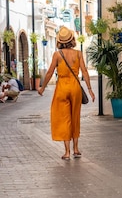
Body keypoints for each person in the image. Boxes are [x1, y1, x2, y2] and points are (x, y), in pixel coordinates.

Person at [38, 27, 95, 160]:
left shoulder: (57, 55)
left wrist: (42, 88)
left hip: (62, 87)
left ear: (60, 41)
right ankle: (76, 149)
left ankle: (67, 152)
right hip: (75, 87)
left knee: (64, 118)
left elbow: (50, 72)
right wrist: (90, 89)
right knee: (75, 117)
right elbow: (85, 71)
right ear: (72, 40)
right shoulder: (78, 54)